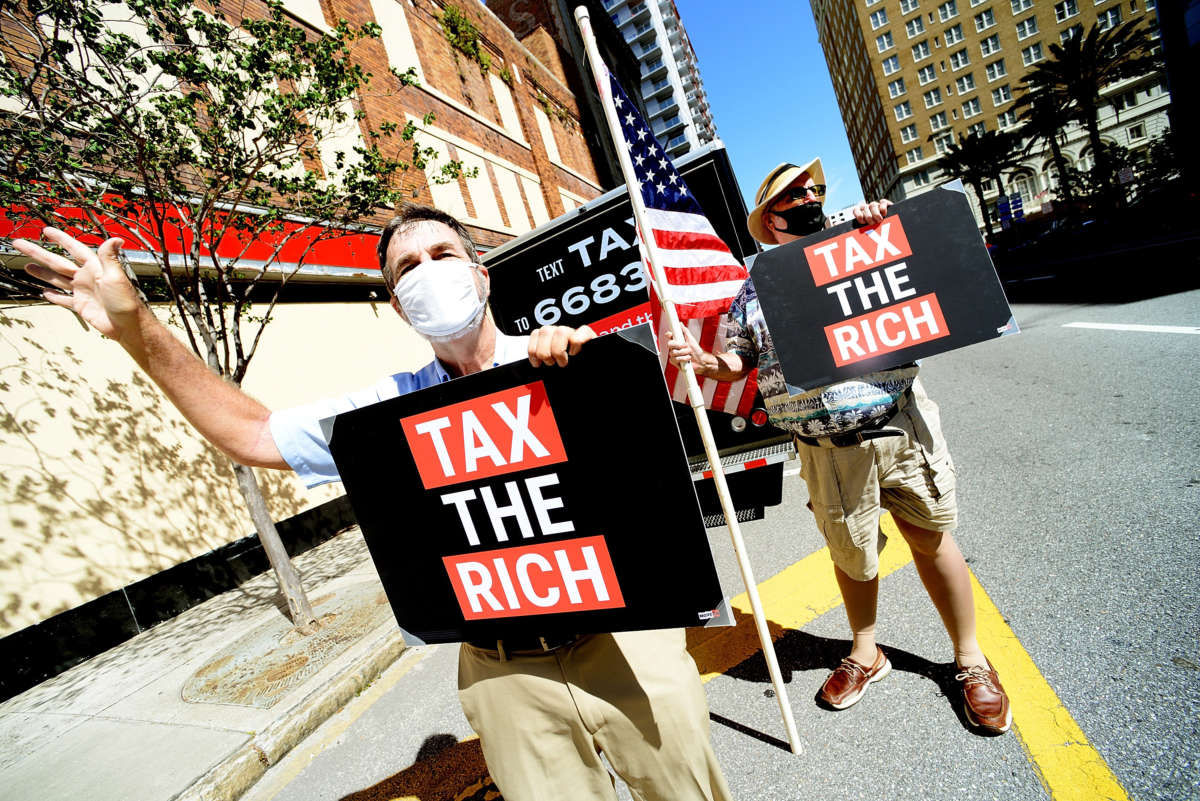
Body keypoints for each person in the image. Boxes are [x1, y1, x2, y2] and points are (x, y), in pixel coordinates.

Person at [13, 204, 733, 801]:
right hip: (504, 670)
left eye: (442, 253)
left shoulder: (566, 359)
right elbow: (252, 433)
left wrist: (590, 372)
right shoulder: (388, 413)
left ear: (480, 274)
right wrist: (138, 325)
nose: (427, 272)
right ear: (395, 302)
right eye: (406, 269)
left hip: (626, 644)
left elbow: (654, 444)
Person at [668, 158, 1012, 735]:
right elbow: (740, 360)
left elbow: (923, 272)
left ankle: (971, 659)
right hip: (825, 448)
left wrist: (883, 225)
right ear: (770, 216)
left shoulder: (861, 241)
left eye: (813, 191)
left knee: (930, 539)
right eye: (794, 195)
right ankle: (866, 652)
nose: (808, 199)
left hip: (898, 423)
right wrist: (708, 364)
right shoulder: (755, 287)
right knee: (852, 556)